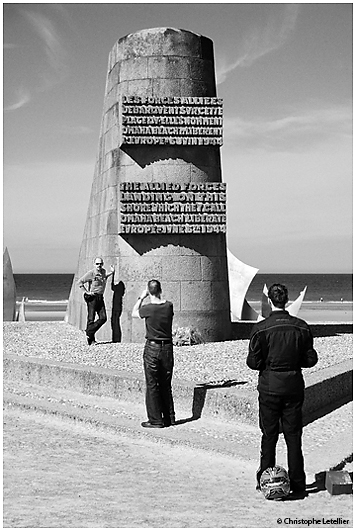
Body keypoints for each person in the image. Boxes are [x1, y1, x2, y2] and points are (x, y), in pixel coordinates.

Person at [246, 283, 318, 498]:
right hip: (293, 385)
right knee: (293, 436)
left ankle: (265, 479)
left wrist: (268, 365)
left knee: (269, 435)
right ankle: (298, 483)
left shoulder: (261, 329)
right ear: (286, 300)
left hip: (269, 386)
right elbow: (311, 358)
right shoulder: (301, 327)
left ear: (269, 300)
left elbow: (252, 361)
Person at [132, 279, 175, 428]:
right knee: (165, 384)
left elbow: (134, 313)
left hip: (152, 347)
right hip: (168, 347)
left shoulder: (148, 308)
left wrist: (141, 297)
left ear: (149, 291)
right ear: (160, 290)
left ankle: (155, 419)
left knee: (152, 384)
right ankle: (169, 417)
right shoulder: (169, 306)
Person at [78, 257, 115, 345]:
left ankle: (88, 332)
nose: (99, 265)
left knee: (103, 318)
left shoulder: (103, 272)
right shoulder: (91, 273)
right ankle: (91, 340)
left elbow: (104, 277)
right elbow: (80, 282)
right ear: (94, 264)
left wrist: (112, 273)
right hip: (92, 297)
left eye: (101, 264)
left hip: (100, 297)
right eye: (97, 264)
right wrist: (87, 292)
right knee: (91, 318)